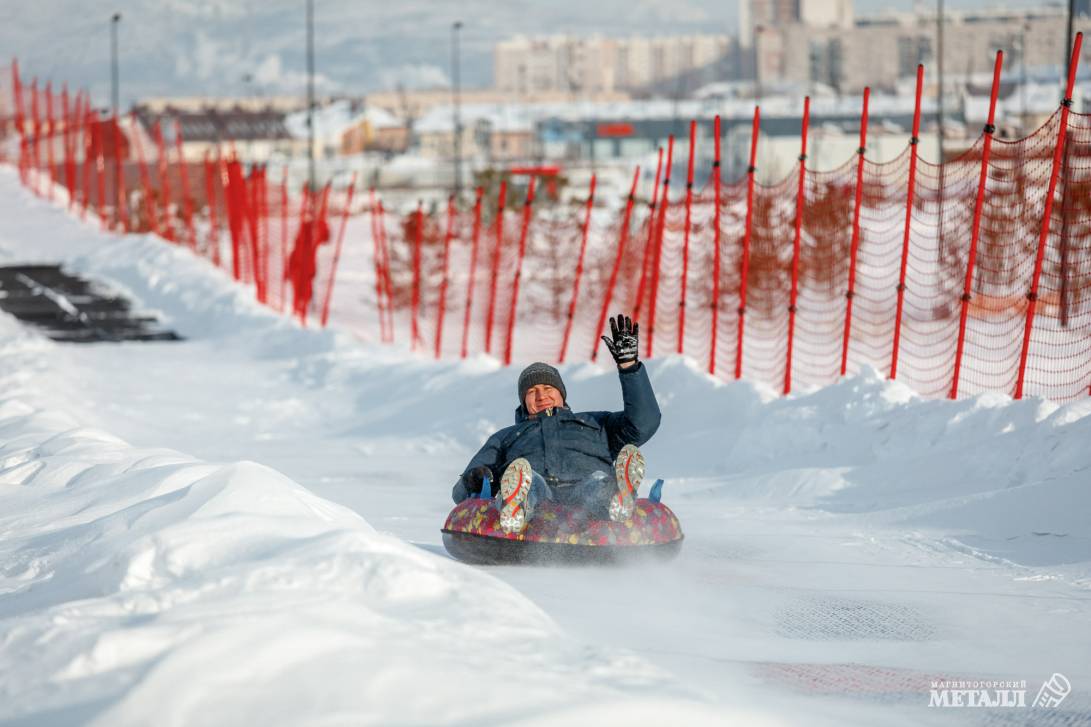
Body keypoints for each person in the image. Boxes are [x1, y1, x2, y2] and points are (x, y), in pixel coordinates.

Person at [452, 314, 660, 534]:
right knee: (530, 482)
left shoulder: (598, 423)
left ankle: (616, 498)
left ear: (561, 394)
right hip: (538, 497)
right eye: (532, 392)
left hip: (586, 492)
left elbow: (645, 422)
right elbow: (459, 494)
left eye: (548, 389)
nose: (541, 396)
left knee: (597, 483)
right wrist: (474, 479)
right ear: (524, 401)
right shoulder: (507, 436)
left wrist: (629, 367)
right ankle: (515, 506)